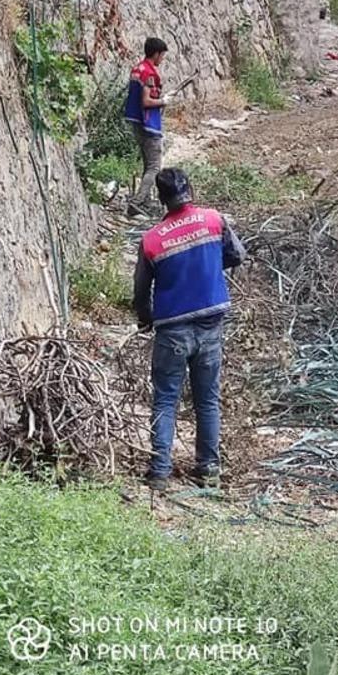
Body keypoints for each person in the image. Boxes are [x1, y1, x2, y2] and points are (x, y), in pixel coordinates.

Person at [134, 168, 246, 491]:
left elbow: (140, 292)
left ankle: (159, 472)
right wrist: (207, 267)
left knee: (165, 400)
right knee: (207, 400)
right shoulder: (214, 220)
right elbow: (237, 255)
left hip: (171, 330)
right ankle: (209, 470)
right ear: (190, 190)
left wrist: (145, 319)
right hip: (211, 325)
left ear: (161, 198)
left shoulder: (151, 240)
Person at [124, 37, 169, 217]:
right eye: (162, 55)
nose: (162, 59)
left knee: (147, 164)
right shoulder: (150, 74)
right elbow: (146, 101)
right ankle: (136, 202)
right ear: (156, 54)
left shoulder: (137, 69)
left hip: (136, 121)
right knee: (154, 167)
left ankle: (146, 201)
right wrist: (162, 101)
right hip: (149, 124)